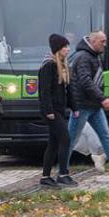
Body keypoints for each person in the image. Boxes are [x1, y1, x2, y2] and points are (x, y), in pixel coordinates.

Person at [65, 31, 109, 183]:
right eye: (102, 41)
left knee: (106, 136)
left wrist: (99, 99)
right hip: (82, 105)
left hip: (93, 105)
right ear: (93, 41)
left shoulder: (93, 56)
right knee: (71, 139)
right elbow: (85, 81)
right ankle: (63, 171)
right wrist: (102, 98)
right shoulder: (83, 57)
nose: (105, 44)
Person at [39, 34, 75, 188]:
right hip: (52, 111)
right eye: (65, 47)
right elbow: (44, 91)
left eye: (67, 46)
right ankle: (63, 174)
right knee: (65, 139)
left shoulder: (63, 65)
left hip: (59, 110)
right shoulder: (49, 66)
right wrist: (48, 111)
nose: (68, 49)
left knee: (53, 143)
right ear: (57, 49)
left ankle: (46, 176)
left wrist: (74, 107)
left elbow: (68, 90)